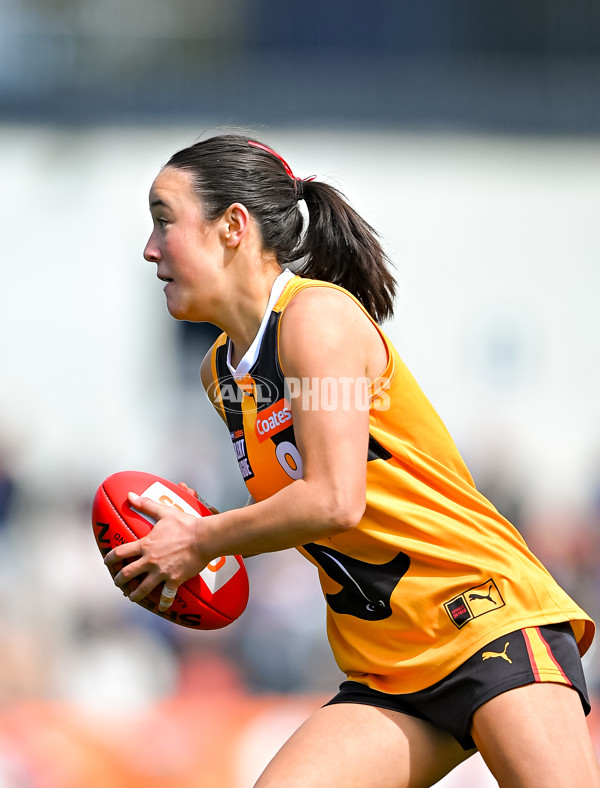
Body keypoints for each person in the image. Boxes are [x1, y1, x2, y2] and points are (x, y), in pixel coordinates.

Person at [105, 133, 599, 787]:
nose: (150, 247)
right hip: (387, 667)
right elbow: (297, 511)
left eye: (165, 220)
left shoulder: (317, 320)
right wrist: (195, 540)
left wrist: (201, 539)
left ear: (232, 227)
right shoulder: (219, 373)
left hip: (483, 621)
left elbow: (334, 500)